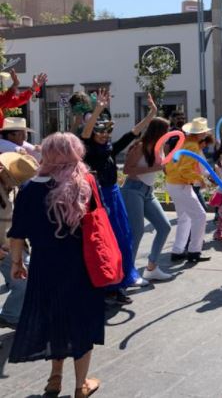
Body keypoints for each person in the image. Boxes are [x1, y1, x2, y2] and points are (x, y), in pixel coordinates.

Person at [8, 133, 104, 398]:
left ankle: (54, 378)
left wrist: (17, 263)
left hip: (44, 265)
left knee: (55, 319)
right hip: (80, 266)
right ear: (76, 152)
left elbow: (17, 233)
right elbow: (97, 225)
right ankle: (80, 385)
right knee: (80, 321)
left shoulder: (29, 187)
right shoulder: (84, 183)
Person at [82, 89, 157, 297]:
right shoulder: (87, 149)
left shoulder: (110, 150)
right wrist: (98, 109)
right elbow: (86, 134)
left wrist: (151, 114)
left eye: (107, 132)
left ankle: (120, 280)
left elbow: (133, 132)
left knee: (123, 237)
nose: (105, 135)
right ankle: (108, 286)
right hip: (98, 200)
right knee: (106, 241)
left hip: (114, 196)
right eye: (101, 132)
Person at [121, 117, 173, 282]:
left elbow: (160, 168)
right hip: (133, 190)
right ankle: (127, 273)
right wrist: (157, 167)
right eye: (167, 130)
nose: (169, 133)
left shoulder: (160, 148)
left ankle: (152, 267)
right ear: (159, 131)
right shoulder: (140, 147)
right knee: (137, 231)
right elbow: (127, 170)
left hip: (148, 191)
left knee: (164, 226)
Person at [0, 152, 39, 328]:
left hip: (10, 246)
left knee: (26, 277)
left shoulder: (15, 189)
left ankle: (10, 314)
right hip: (2, 248)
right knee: (24, 279)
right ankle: (10, 314)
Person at [165, 117, 212, 263]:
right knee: (200, 216)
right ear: (200, 133)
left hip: (174, 183)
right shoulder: (192, 146)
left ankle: (178, 251)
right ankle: (194, 252)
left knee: (184, 218)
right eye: (204, 132)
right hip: (181, 184)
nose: (205, 134)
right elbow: (185, 169)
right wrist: (201, 180)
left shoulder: (184, 142)